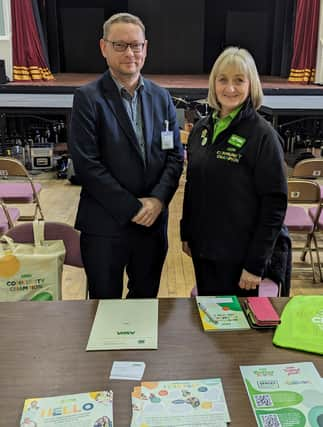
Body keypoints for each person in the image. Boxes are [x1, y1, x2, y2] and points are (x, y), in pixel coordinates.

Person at [69, 13, 183, 299]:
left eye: (136, 45)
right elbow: (87, 165)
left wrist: (157, 200)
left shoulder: (162, 97)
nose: (130, 53)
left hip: (152, 226)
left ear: (145, 48)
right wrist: (133, 208)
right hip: (105, 227)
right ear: (103, 48)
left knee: (144, 306)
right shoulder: (87, 98)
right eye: (120, 45)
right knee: (104, 308)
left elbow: (175, 157)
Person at [180, 46, 287, 296]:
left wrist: (255, 264)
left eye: (239, 80)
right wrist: (187, 232)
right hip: (204, 251)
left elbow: (275, 205)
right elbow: (193, 186)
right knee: (208, 321)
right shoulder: (201, 130)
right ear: (213, 83)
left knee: (236, 333)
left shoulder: (263, 136)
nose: (230, 88)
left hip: (241, 259)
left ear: (252, 85)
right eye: (223, 80)